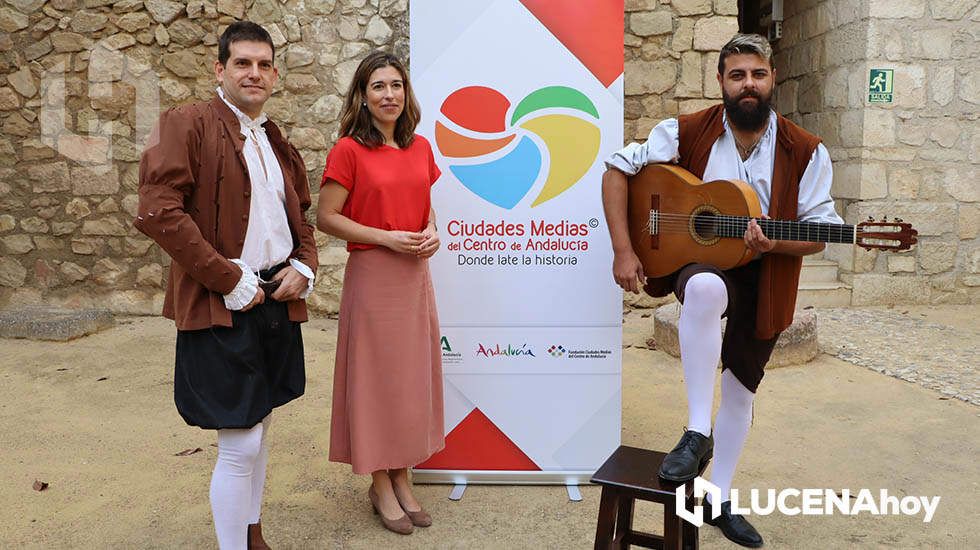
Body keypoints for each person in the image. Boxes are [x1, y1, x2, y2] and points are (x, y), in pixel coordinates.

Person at [601, 34, 843, 548]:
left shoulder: (806, 150)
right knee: (706, 288)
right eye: (737, 75)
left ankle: (718, 497)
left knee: (740, 388)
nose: (748, 84)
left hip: (769, 274)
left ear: (772, 78)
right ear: (721, 82)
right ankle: (695, 432)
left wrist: (777, 239)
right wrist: (625, 251)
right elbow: (617, 170)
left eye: (757, 74)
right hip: (704, 264)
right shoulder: (688, 131)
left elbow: (821, 234)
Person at [135, 21, 317, 550]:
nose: (254, 73)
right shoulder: (187, 123)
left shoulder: (274, 137)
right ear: (220, 69)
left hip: (274, 300)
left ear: (276, 74)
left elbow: (297, 213)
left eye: (263, 64)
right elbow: (157, 210)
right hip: (222, 301)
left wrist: (304, 266)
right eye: (242, 63)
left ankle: (251, 533)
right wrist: (228, 277)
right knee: (238, 444)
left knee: (258, 432)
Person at [317, 51, 444, 536]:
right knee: (377, 380)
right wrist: (385, 236)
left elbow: (424, 208)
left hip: (414, 278)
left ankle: (403, 476)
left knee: (410, 379)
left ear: (406, 93)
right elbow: (326, 217)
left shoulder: (421, 148)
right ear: (363, 97)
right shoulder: (349, 150)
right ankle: (379, 482)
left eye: (396, 85)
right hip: (373, 275)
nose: (389, 94)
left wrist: (431, 231)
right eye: (378, 87)